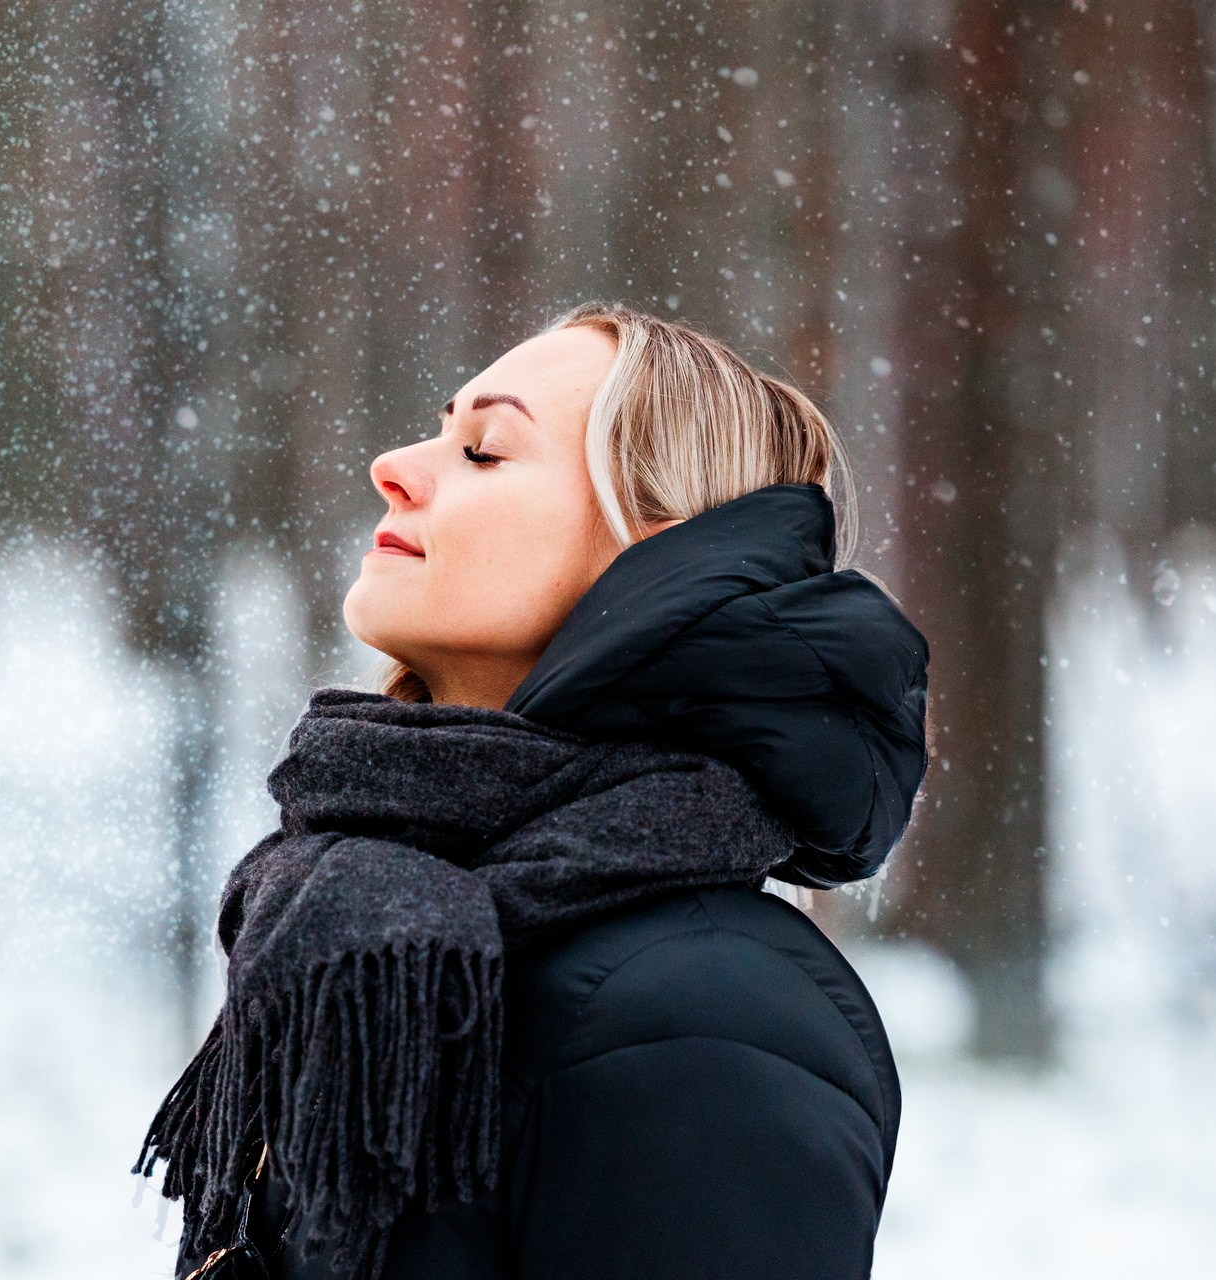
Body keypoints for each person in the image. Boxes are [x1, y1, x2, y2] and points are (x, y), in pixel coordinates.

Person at [136, 302, 930, 1280]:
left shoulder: (702, 1013)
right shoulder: (376, 923)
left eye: (483, 450)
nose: (395, 465)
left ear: (659, 557)